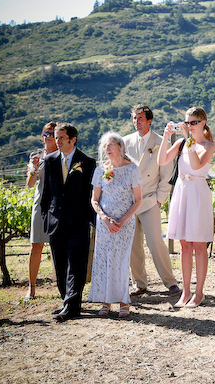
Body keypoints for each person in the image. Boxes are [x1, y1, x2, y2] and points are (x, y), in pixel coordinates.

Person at [158, 107, 215, 308]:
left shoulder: (209, 145)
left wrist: (187, 139)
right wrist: (167, 137)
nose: (189, 126)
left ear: (202, 123)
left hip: (198, 194)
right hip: (181, 192)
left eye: (192, 122)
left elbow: (197, 164)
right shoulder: (182, 143)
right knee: (184, 244)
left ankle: (199, 293)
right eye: (187, 122)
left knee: (199, 245)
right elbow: (162, 160)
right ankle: (185, 292)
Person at [40, 122, 96, 322]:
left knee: (76, 264)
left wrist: (91, 219)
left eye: (61, 137)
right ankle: (67, 302)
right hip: (55, 221)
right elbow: (47, 192)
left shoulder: (87, 162)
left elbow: (91, 192)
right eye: (56, 137)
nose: (57, 141)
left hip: (78, 220)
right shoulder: (50, 159)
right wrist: (45, 216)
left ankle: (72, 307)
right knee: (61, 264)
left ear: (73, 139)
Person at [124, 104, 180, 296]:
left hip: (149, 200)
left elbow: (167, 174)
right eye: (134, 118)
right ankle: (139, 283)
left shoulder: (160, 141)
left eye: (140, 118)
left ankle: (170, 282)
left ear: (149, 120)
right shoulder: (124, 142)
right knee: (133, 244)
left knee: (156, 241)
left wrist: (159, 199)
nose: (136, 121)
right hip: (129, 202)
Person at [89, 133, 143, 317]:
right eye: (105, 146)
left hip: (125, 224)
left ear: (121, 147)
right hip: (104, 224)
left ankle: (124, 303)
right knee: (104, 260)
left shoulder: (133, 169)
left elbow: (138, 200)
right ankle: (105, 303)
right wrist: (105, 218)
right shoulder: (99, 170)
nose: (108, 149)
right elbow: (94, 200)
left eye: (111, 145)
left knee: (120, 261)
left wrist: (122, 221)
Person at [24, 122, 57, 301]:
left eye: (52, 133)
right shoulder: (36, 156)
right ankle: (32, 288)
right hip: (40, 204)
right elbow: (29, 184)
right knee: (36, 245)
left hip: (58, 204)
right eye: (46, 132)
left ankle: (63, 286)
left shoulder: (62, 155)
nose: (48, 136)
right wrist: (34, 169)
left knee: (58, 245)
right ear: (42, 135)